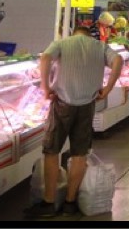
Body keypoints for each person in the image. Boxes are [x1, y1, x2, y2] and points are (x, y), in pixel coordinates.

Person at [26, 25, 123, 218]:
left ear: (74, 34)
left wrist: (46, 87)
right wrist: (108, 88)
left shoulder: (62, 43)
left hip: (62, 103)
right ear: (88, 35)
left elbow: (45, 58)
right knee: (79, 153)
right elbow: (118, 60)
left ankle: (49, 202)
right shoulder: (100, 46)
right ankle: (70, 202)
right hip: (87, 104)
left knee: (52, 151)